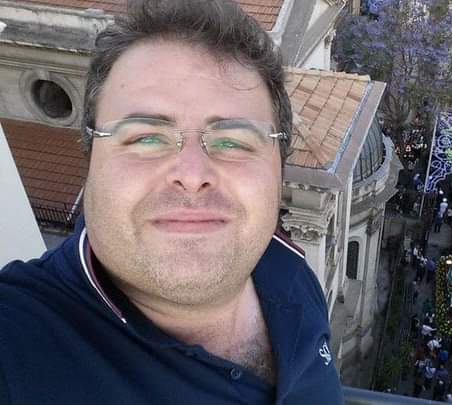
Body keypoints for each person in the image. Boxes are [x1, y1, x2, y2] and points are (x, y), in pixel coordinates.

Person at [0, 1, 342, 404]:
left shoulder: (290, 267)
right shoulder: (21, 339)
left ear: (278, 169)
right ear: (90, 159)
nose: (193, 174)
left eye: (233, 141)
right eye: (145, 137)